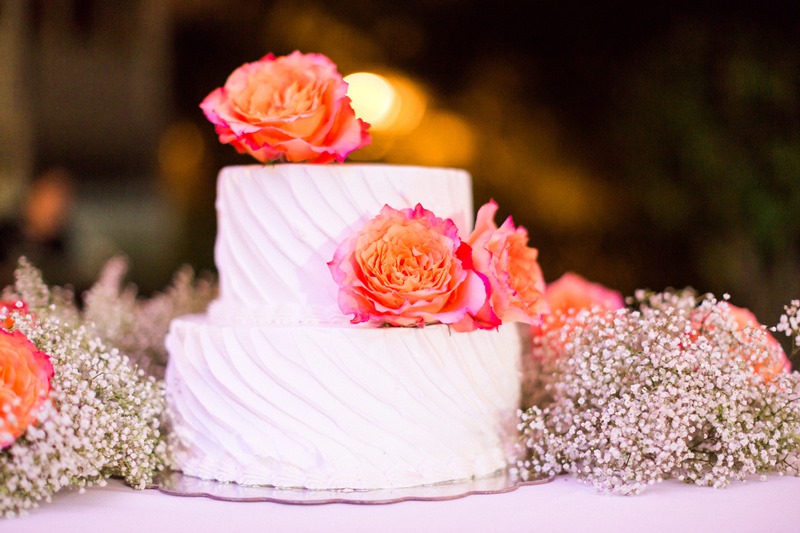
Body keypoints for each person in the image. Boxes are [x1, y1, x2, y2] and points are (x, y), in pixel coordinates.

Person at [0, 167, 76, 290]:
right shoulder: (4, 236)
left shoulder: (59, 248)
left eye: (62, 201)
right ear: (32, 196)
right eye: (50, 198)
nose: (56, 209)